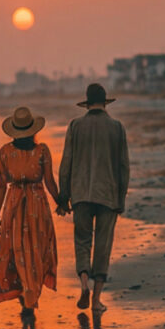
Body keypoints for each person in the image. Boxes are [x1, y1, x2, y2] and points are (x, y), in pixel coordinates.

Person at [58, 83, 130, 312]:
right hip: (108, 194)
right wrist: (121, 197)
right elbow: (123, 167)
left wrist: (63, 196)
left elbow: (66, 164)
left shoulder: (75, 126)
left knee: (82, 241)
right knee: (103, 245)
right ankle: (96, 299)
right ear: (105, 102)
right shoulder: (116, 128)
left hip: (80, 194)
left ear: (87, 102)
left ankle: (82, 284)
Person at [0, 106, 64, 316]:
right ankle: (31, 294)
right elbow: (50, 181)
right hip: (37, 204)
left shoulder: (5, 152)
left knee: (17, 250)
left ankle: (25, 294)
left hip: (13, 205)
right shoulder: (42, 151)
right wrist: (60, 201)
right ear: (33, 130)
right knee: (37, 249)